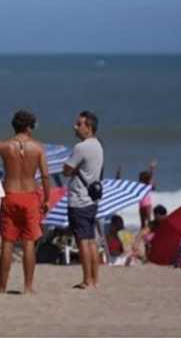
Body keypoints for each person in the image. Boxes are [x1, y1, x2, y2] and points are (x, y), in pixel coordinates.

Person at [0, 109, 51, 295]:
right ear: (29, 127)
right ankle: (28, 286)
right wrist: (47, 199)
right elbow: (45, 176)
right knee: (28, 242)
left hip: (10, 194)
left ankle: (2, 287)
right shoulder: (37, 148)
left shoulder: (3, 146)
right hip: (30, 196)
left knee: (7, 242)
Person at [63, 110, 104, 289]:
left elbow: (66, 170)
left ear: (89, 127)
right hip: (92, 200)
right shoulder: (98, 146)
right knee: (91, 240)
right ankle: (94, 279)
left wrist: (72, 169)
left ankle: (87, 280)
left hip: (79, 199)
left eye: (79, 124)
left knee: (82, 242)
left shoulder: (81, 147)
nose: (75, 127)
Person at [137, 161, 158, 230]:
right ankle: (149, 233)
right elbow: (151, 177)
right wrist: (152, 169)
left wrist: (152, 169)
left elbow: (150, 177)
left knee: (143, 223)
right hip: (147, 205)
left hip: (142, 205)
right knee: (148, 222)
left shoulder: (140, 186)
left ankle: (143, 233)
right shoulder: (147, 186)